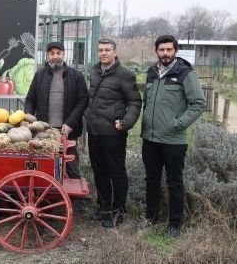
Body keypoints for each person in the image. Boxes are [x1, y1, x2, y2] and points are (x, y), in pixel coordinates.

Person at [141, 34, 206, 238]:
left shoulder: (185, 74)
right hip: (150, 139)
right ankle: (151, 218)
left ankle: (174, 224)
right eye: (162, 50)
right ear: (157, 51)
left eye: (169, 49)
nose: (165, 53)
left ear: (175, 51)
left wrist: (178, 124)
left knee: (174, 182)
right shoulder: (152, 72)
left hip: (173, 141)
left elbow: (199, 104)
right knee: (151, 179)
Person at [84, 38, 142, 228]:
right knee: (99, 171)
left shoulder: (125, 75)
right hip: (94, 131)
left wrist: (126, 122)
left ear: (115, 52)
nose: (103, 53)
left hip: (113, 132)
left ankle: (118, 212)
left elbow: (135, 102)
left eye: (107, 50)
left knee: (116, 172)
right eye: (100, 50)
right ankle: (104, 208)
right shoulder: (94, 71)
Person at [24, 41, 89, 179]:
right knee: (45, 165)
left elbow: (83, 100)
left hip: (67, 130)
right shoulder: (39, 75)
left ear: (64, 55)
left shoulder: (76, 75)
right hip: (44, 130)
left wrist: (70, 123)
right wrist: (28, 119)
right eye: (52, 53)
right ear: (47, 56)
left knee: (71, 164)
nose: (55, 56)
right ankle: (49, 194)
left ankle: (76, 198)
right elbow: (30, 99)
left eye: (58, 53)